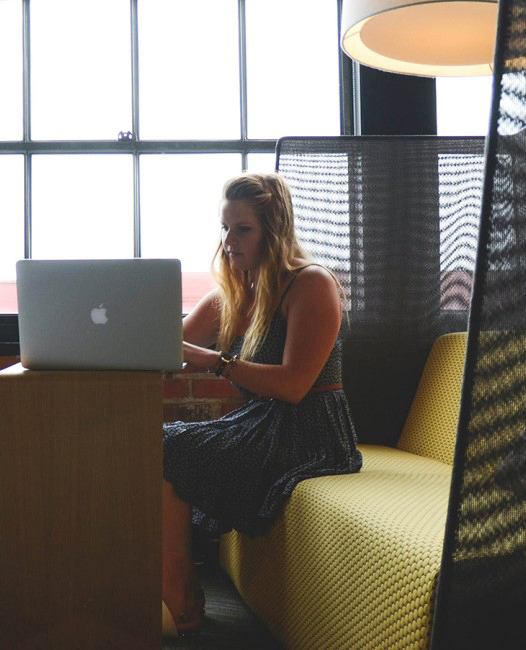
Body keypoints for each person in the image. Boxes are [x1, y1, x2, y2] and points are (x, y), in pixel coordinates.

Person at [161, 172, 363, 636]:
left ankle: (179, 597)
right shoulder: (233, 293)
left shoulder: (310, 284)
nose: (229, 241)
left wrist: (216, 362)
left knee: (168, 449)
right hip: (260, 422)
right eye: (225, 228)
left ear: (274, 230)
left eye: (242, 229)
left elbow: (294, 386)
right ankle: (180, 589)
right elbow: (166, 349)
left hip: (311, 430)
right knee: (159, 443)